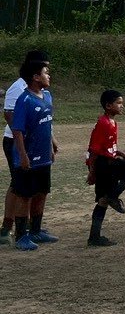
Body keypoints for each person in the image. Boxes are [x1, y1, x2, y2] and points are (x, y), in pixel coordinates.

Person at [9, 56, 59, 251]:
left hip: (44, 157)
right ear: (36, 77)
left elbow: (47, 124)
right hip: (28, 158)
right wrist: (22, 156)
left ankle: (36, 230)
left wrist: (51, 146)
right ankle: (21, 236)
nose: (49, 76)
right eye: (46, 72)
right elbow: (17, 131)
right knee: (25, 195)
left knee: (42, 192)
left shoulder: (47, 96)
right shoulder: (24, 100)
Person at [3, 49, 48, 247]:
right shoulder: (19, 89)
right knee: (19, 186)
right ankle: (9, 229)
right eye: (45, 67)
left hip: (38, 147)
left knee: (39, 188)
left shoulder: (44, 92)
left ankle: (34, 230)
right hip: (17, 142)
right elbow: (11, 118)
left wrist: (50, 141)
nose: (48, 72)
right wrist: (23, 149)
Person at [85, 89, 125, 248]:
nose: (122, 106)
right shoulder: (104, 123)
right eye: (118, 103)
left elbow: (106, 146)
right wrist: (92, 172)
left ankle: (94, 237)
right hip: (104, 164)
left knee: (102, 200)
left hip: (109, 161)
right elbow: (94, 149)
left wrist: (118, 152)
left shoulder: (112, 122)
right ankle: (114, 195)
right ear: (108, 105)